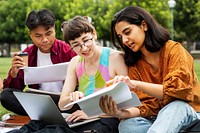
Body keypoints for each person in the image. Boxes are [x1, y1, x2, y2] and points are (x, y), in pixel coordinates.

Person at [99, 6, 200, 133]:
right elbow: (147, 106)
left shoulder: (174, 50)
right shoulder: (134, 64)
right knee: (128, 125)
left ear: (144, 25)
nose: (124, 40)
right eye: (120, 37)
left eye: (127, 32)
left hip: (189, 112)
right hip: (156, 119)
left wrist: (136, 84)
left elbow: (177, 91)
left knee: (175, 106)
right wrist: (120, 113)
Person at [0, 9, 76, 116]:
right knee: (5, 95)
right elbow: (14, 90)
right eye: (38, 36)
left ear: (54, 29)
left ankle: (44, 116)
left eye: (48, 33)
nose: (44, 40)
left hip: (66, 102)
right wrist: (14, 73)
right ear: (30, 34)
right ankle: (45, 115)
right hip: (40, 103)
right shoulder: (27, 55)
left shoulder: (68, 50)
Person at [58, 16, 128, 132]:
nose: (83, 48)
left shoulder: (116, 58)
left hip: (109, 119)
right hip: (84, 118)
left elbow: (127, 104)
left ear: (94, 34)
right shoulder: (75, 62)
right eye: (76, 45)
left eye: (86, 40)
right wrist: (72, 98)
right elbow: (62, 105)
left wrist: (93, 114)